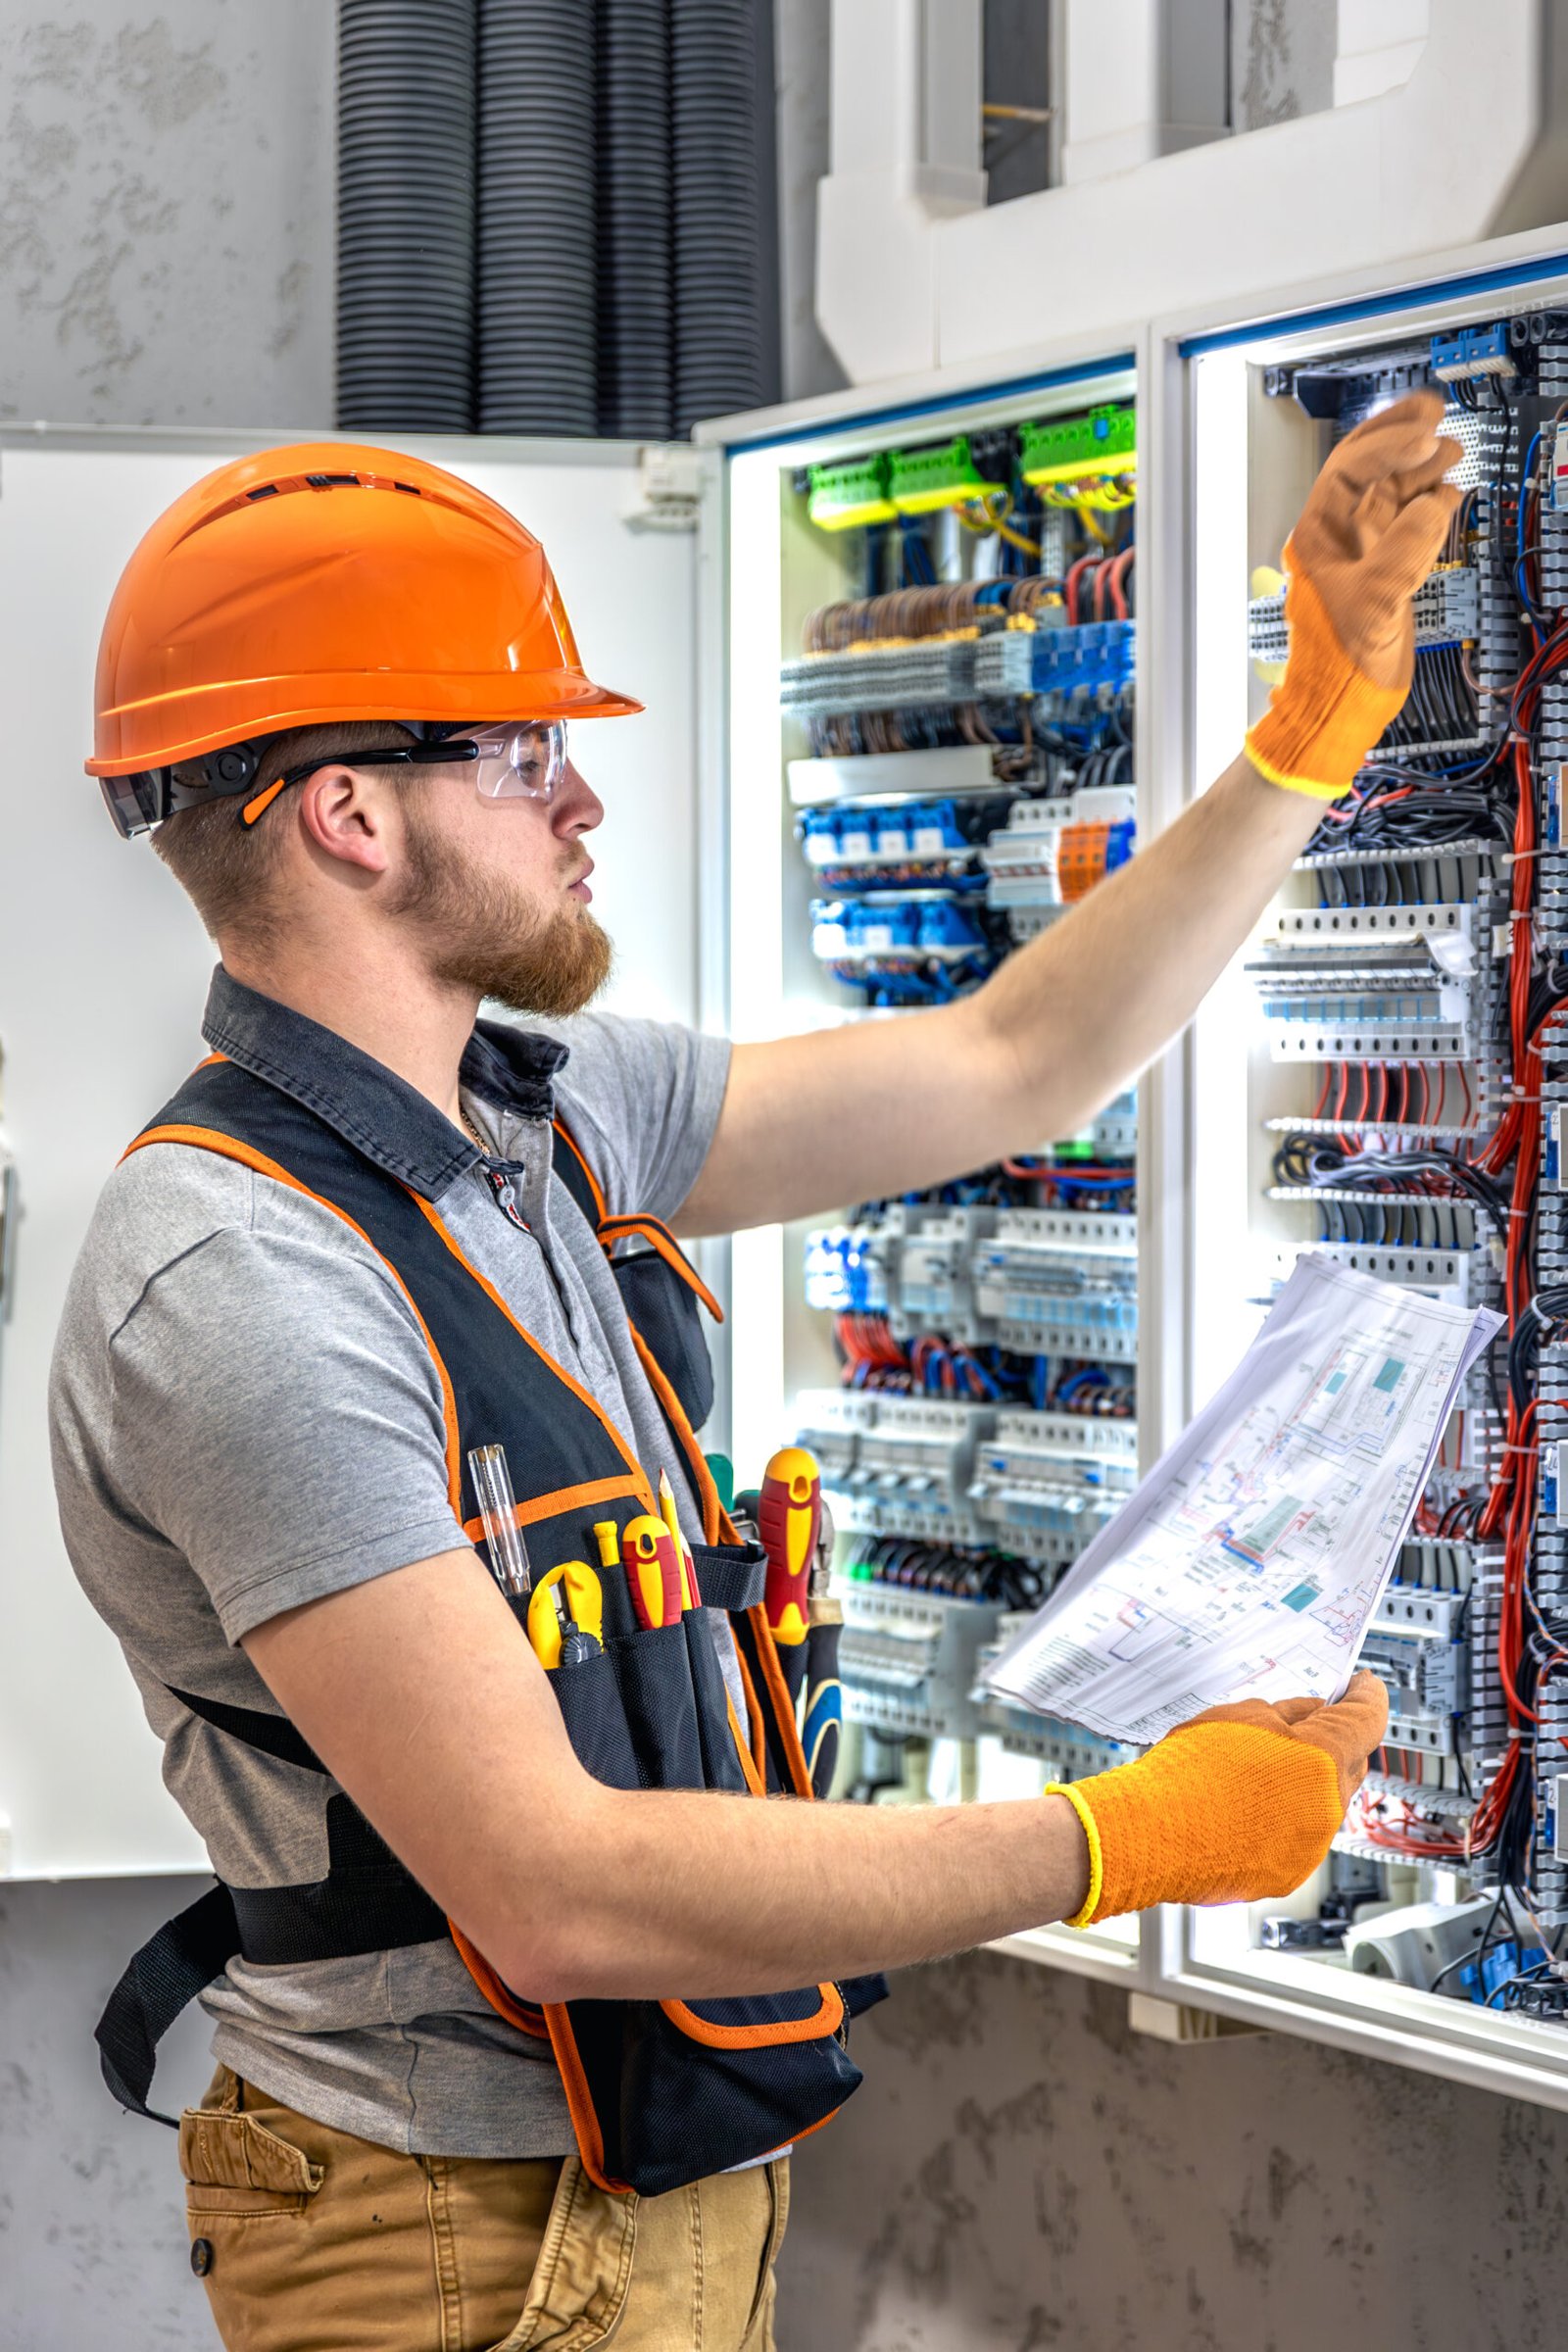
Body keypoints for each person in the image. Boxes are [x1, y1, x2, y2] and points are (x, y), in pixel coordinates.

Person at [51, 393, 1453, 2352]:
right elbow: (554, 1889)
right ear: (351, 815)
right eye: (526, 750)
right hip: (451, 2227)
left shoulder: (540, 1113)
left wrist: (1305, 736)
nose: (579, 802)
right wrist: (1122, 1841)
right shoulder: (236, 1285)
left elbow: (1006, 1064)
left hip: (657, 2163)